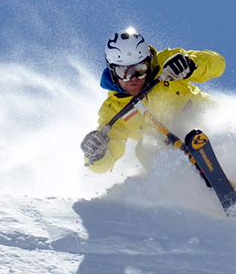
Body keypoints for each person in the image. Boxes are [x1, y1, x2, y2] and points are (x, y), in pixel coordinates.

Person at [81, 27, 226, 173]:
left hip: (203, 120)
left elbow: (218, 64)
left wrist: (192, 64)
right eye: (123, 72)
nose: (133, 78)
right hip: (171, 148)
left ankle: (227, 154)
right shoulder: (113, 110)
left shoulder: (166, 65)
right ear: (112, 72)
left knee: (194, 119)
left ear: (148, 63)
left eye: (140, 69)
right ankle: (182, 183)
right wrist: (95, 155)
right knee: (145, 147)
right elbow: (105, 161)